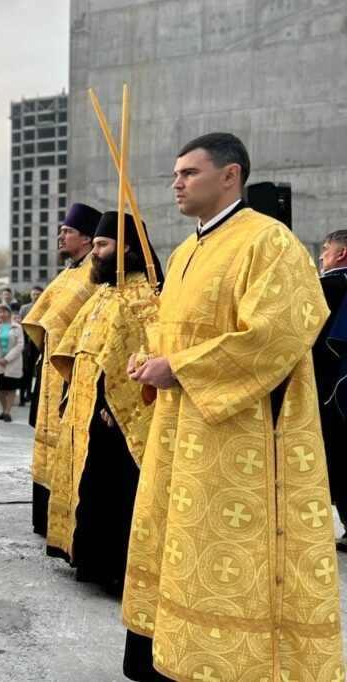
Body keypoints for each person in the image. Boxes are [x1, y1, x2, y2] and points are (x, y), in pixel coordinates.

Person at [124, 133, 343, 681]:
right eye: (174, 174)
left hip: (238, 437)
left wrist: (180, 367)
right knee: (178, 549)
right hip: (180, 429)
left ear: (230, 175)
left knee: (222, 558)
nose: (176, 182)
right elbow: (179, 332)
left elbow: (281, 330)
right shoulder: (182, 252)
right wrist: (151, 357)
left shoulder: (269, 242)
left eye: (188, 172)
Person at [45, 212, 163, 595]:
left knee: (115, 489)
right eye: (94, 245)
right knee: (92, 487)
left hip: (117, 412)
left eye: (102, 245)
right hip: (88, 404)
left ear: (125, 248)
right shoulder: (108, 292)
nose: (94, 253)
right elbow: (79, 347)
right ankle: (91, 562)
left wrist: (117, 403)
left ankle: (116, 570)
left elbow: (145, 350)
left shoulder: (145, 296)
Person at [22, 202, 102, 537]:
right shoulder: (69, 272)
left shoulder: (91, 274)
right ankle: (46, 519)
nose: (60, 237)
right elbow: (42, 317)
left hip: (70, 370)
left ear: (86, 238)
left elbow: (63, 319)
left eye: (67, 232)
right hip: (50, 368)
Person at [313, 229, 347, 551]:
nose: (322, 256)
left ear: (342, 254)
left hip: (329, 390)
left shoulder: (325, 288)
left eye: (325, 250)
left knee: (335, 458)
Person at [18, 286, 43, 406]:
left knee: (39, 369)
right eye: (34, 294)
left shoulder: (46, 307)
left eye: (38, 294)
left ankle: (37, 394)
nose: (36, 296)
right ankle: (24, 394)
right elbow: (20, 324)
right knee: (26, 369)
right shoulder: (24, 308)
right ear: (30, 295)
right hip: (27, 342)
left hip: (41, 342)